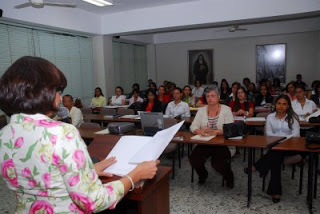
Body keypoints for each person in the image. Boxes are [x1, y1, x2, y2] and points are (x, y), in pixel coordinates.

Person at [0, 56, 159, 213]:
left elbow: (44, 178)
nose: (60, 98)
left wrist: (88, 170)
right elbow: (94, 201)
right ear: (42, 92)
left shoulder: (4, 135)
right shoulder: (61, 132)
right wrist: (135, 175)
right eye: (57, 91)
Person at [246, 94, 300, 203]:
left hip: (290, 146)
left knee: (275, 154)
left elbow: (296, 135)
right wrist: (279, 141)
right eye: (279, 103)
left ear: (288, 106)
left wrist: (281, 139)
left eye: (284, 104)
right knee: (276, 157)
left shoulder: (293, 117)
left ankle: (257, 166)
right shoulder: (270, 117)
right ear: (275, 105)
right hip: (275, 146)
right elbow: (268, 134)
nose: (281, 106)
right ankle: (276, 192)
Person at [189, 86, 234, 187]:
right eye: (207, 96)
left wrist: (215, 132)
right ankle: (203, 175)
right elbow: (193, 126)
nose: (210, 98)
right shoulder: (201, 110)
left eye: (213, 96)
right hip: (205, 142)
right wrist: (199, 131)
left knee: (218, 164)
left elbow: (230, 129)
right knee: (194, 159)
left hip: (222, 144)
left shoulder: (226, 110)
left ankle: (229, 177)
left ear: (218, 97)